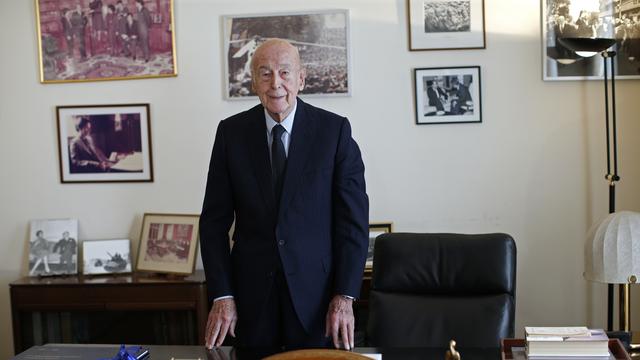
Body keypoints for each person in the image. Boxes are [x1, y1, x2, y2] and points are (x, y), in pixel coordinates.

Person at [199, 39, 368, 351]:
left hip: (317, 302)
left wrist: (344, 297)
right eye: (265, 74)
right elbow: (212, 223)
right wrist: (223, 295)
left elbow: (353, 223)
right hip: (250, 303)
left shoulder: (334, 132)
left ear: (301, 79)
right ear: (253, 81)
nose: (275, 84)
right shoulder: (230, 134)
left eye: (284, 73)